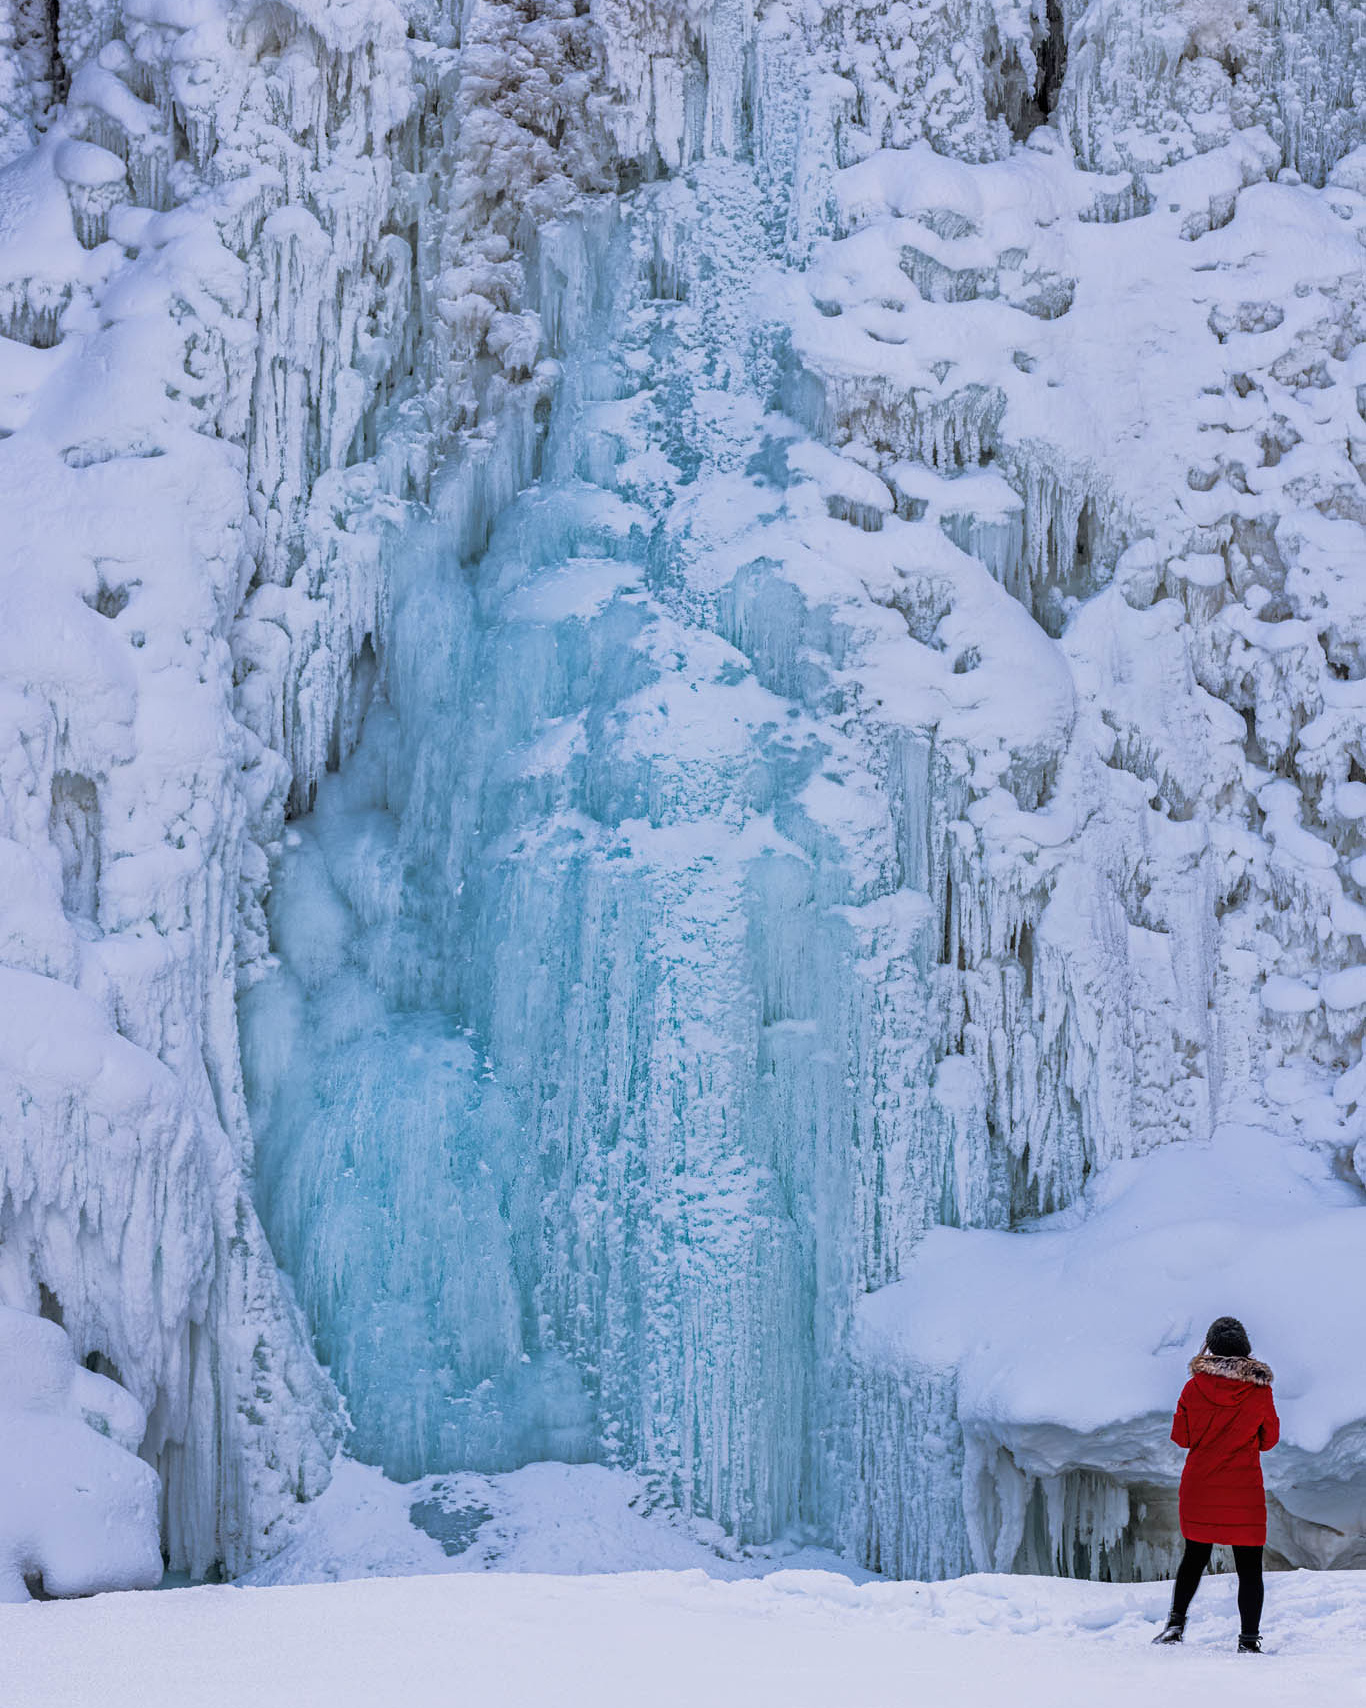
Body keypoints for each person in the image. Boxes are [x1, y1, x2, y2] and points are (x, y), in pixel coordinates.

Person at [1153, 1316, 1279, 1653]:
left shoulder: (1193, 1388)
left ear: (1210, 1347)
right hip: (1243, 1490)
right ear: (1244, 1347)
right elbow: (1269, 1441)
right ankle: (1248, 1641)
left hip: (1201, 1486)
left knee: (1194, 1558)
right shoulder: (1259, 1391)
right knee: (1249, 1568)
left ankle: (1175, 1625)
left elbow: (1181, 1437)